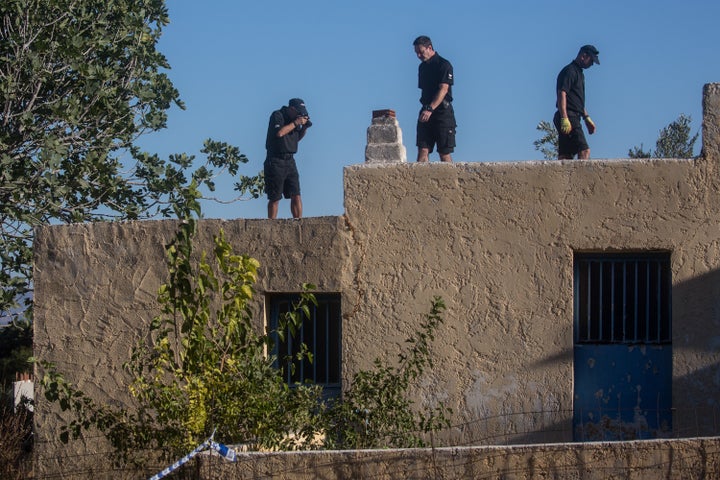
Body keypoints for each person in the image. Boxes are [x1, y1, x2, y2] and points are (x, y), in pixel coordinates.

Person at [264, 98, 312, 219]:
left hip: (290, 160)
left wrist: (304, 128)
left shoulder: (294, 120)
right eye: (298, 112)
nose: (299, 115)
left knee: (296, 194)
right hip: (275, 160)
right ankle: (271, 224)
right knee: (275, 197)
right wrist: (296, 123)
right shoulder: (278, 115)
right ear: (292, 109)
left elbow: (296, 140)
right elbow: (279, 133)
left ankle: (298, 221)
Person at [413, 35, 456, 163]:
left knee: (444, 152)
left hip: (442, 113)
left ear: (429, 48)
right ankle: (420, 181)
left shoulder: (444, 65)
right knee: (423, 150)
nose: (419, 56)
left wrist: (431, 108)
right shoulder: (422, 68)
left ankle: (449, 182)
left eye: (421, 52)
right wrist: (426, 109)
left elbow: (443, 89)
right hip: (426, 112)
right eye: (416, 53)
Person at [553, 45, 600, 160]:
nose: (592, 64)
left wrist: (586, 118)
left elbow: (576, 100)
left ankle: (563, 177)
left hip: (572, 115)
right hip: (569, 116)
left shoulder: (579, 73)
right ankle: (583, 178)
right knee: (584, 150)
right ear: (584, 56)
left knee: (566, 155)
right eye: (591, 60)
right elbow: (562, 93)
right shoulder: (570, 71)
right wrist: (565, 117)